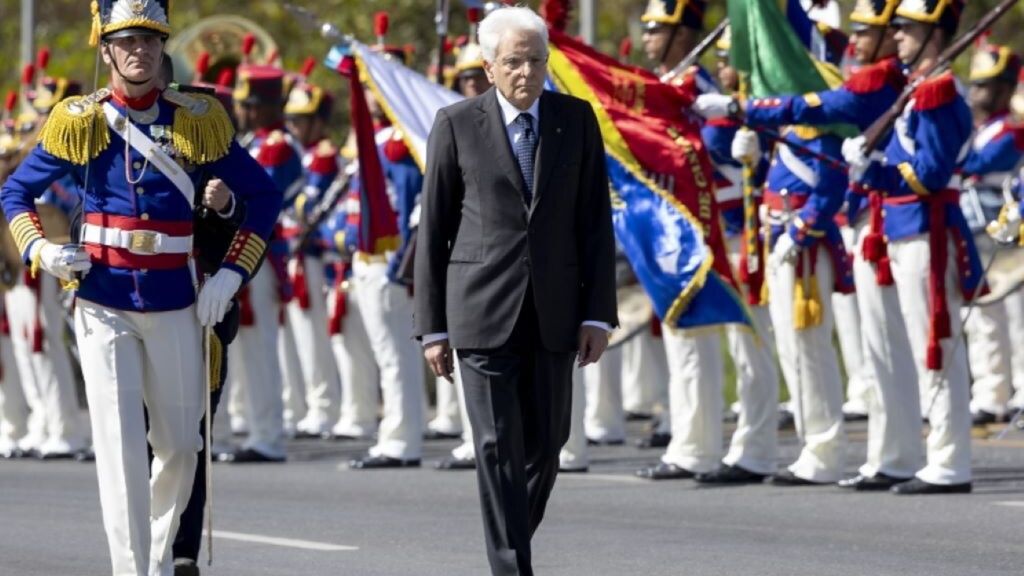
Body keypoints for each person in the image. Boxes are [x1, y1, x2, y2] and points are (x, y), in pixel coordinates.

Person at [0, 2, 281, 575]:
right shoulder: (80, 119)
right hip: (103, 300)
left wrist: (230, 274)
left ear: (162, 48)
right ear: (106, 49)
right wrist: (43, 250)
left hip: (176, 296)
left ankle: (157, 554)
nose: (140, 52)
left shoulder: (199, 118)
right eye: (127, 41)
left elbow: (265, 196)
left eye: (151, 41)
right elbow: (14, 193)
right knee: (122, 451)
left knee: (181, 445)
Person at [414, 6, 617, 575]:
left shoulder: (575, 120)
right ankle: (511, 567)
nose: (526, 73)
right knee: (497, 448)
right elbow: (434, 230)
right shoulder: (455, 123)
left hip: (555, 312)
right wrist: (432, 326)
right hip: (480, 312)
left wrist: (598, 314)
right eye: (513, 62)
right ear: (488, 65)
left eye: (536, 60)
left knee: (547, 448)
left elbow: (594, 221)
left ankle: (509, 540)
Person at [844, 0, 978, 495]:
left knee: (936, 348)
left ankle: (949, 461)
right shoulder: (915, 88)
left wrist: (872, 168)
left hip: (928, 227)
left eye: (909, 29)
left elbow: (930, 173)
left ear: (934, 34)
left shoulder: (938, 92)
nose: (896, 35)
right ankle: (898, 456)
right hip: (897, 227)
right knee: (895, 348)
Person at [958, 43, 1024, 426]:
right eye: (976, 84)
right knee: (983, 318)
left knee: (1017, 320)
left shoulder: (1012, 133)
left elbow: (979, 164)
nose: (976, 92)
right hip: (980, 238)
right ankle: (990, 393)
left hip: (1014, 241)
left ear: (1003, 90)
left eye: (986, 86)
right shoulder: (977, 131)